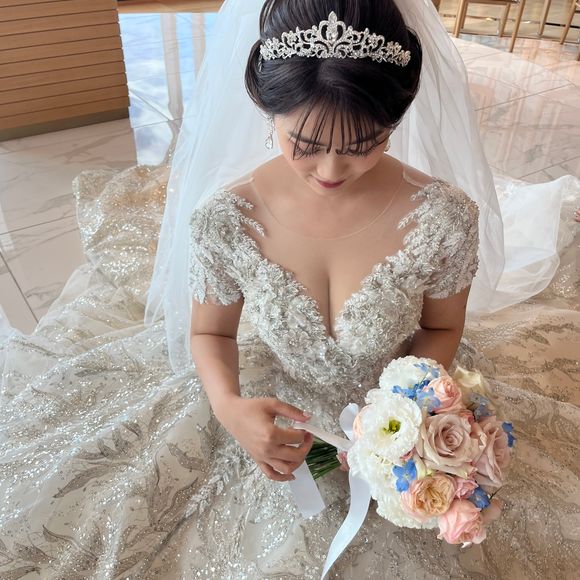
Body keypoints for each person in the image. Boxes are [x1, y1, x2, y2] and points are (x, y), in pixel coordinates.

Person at [0, 0, 578, 578]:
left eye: (363, 145)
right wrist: (229, 407)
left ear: (395, 121)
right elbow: (210, 332)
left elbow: (442, 325)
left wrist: (404, 417)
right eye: (304, 142)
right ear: (266, 108)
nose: (330, 170)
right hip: (276, 405)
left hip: (404, 411)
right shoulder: (227, 219)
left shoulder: (443, 217)